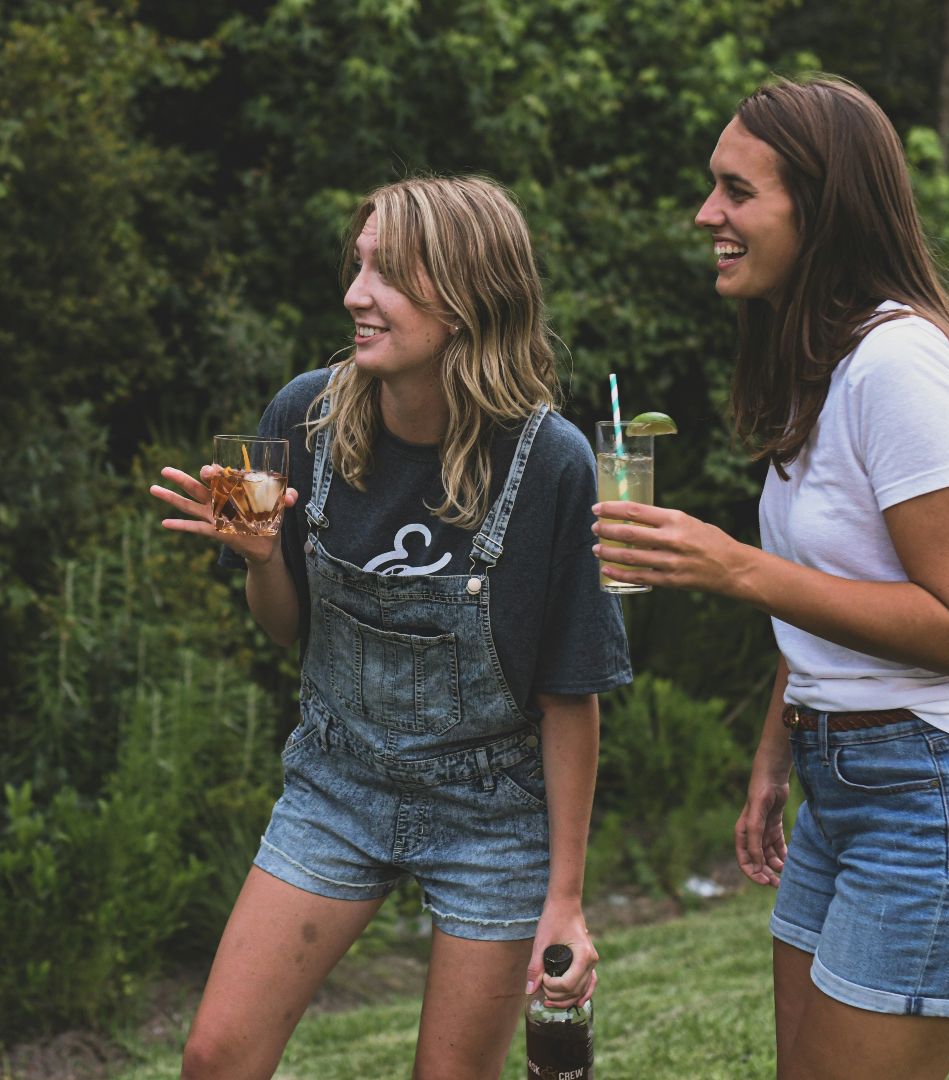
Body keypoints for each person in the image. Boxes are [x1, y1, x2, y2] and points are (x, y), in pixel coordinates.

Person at [591, 75, 949, 1078]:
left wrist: (733, 567)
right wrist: (780, 754)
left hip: (946, 791)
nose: (706, 214)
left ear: (819, 210)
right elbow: (840, 590)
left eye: (736, 191)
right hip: (846, 779)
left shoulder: (904, 367)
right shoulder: (827, 366)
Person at [152, 175, 631, 1078]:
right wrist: (261, 561)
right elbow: (285, 632)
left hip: (492, 814)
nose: (353, 295)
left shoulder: (553, 464)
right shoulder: (305, 416)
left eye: (387, 275)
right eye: (358, 266)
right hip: (338, 780)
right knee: (215, 1057)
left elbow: (572, 693)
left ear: (462, 301)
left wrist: (563, 901)